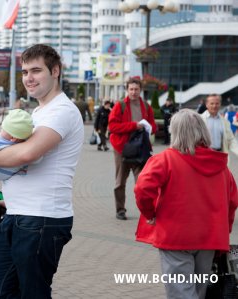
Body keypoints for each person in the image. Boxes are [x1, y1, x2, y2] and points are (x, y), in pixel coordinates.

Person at [0, 44, 84, 298]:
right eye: (25, 71)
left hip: (42, 221)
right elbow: (18, 157)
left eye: (36, 70)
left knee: (32, 293)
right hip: (18, 214)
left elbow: (28, 154)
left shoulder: (62, 111)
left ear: (55, 71)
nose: (29, 78)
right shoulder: (37, 113)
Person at [134, 109, 238, 299]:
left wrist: (150, 214)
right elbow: (232, 203)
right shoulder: (221, 166)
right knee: (199, 291)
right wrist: (225, 231)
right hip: (209, 237)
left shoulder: (165, 159)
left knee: (181, 292)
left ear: (176, 132)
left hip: (175, 236)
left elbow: (142, 188)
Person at [108, 77, 157, 220]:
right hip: (122, 148)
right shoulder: (120, 105)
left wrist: (150, 128)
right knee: (120, 181)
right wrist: (134, 125)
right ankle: (120, 210)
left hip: (140, 148)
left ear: (140, 90)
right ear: (127, 90)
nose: (134, 92)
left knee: (142, 182)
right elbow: (112, 126)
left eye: (136, 89)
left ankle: (145, 210)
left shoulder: (146, 107)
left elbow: (153, 125)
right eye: (131, 89)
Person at [201, 94, 238, 159]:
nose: (214, 106)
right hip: (204, 156)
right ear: (206, 104)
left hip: (220, 155)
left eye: (217, 103)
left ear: (220, 104)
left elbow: (231, 139)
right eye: (212, 103)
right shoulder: (199, 119)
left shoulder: (225, 122)